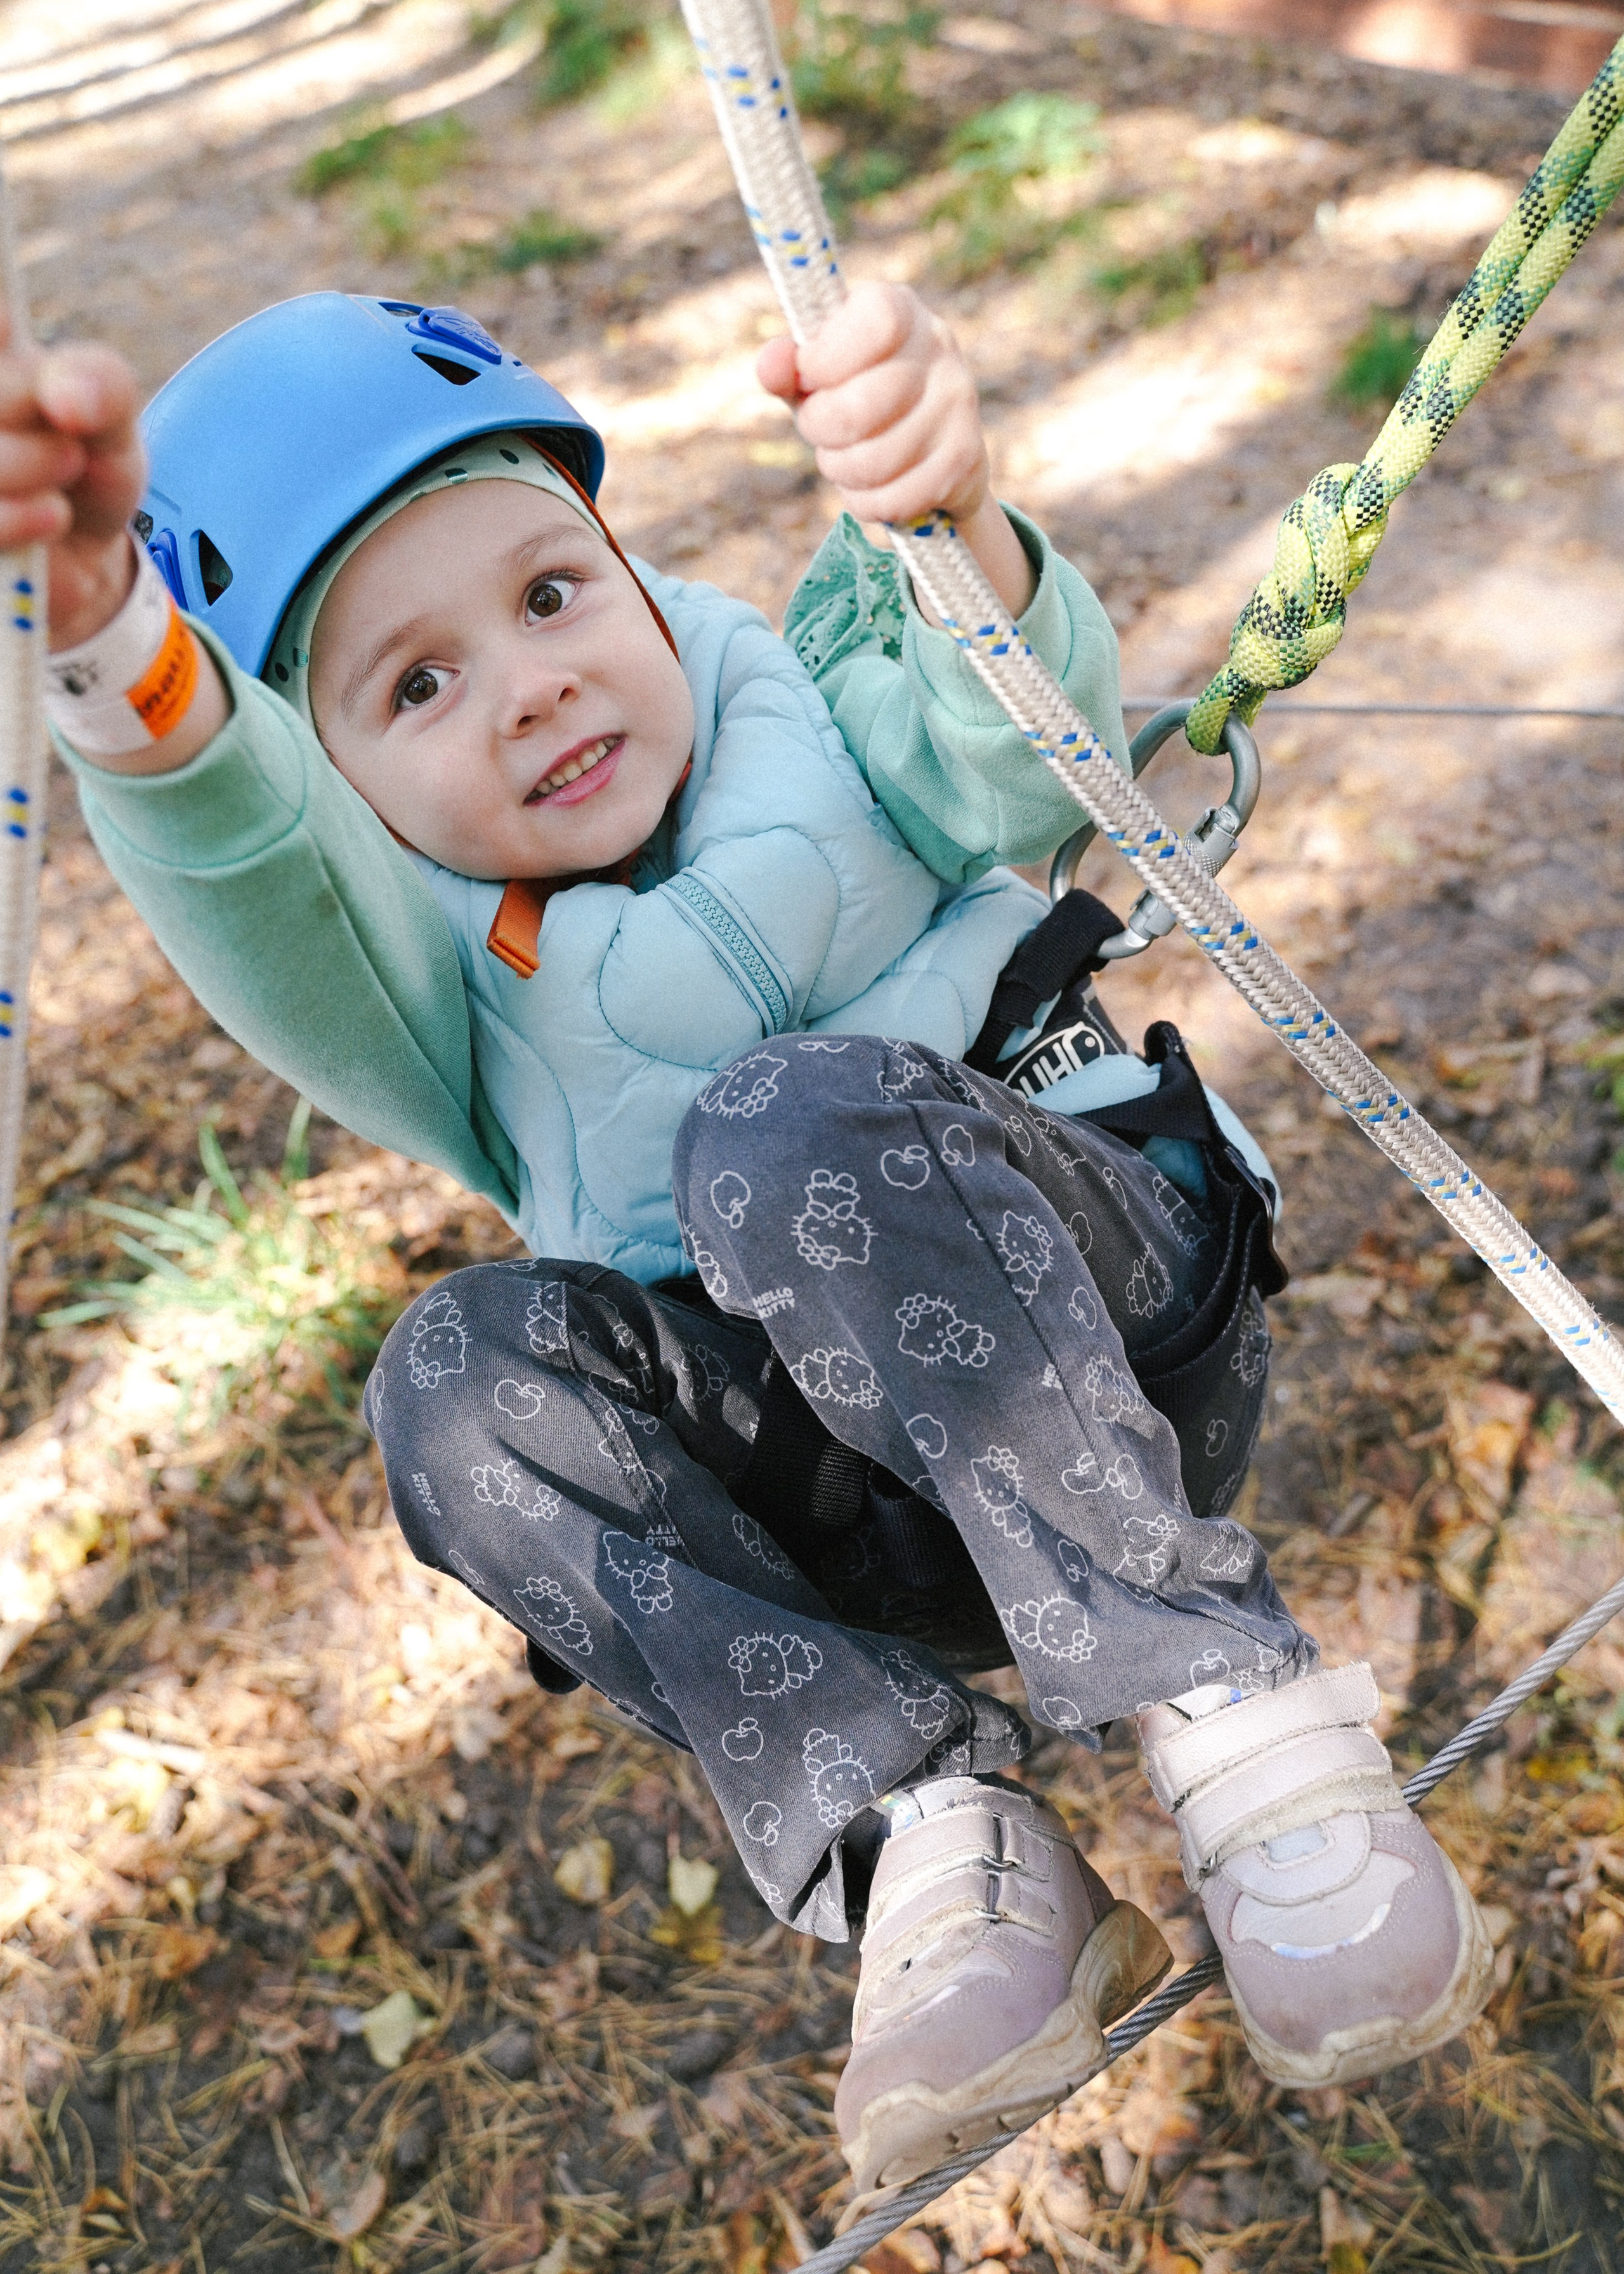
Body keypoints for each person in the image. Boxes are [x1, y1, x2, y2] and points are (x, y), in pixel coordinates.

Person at [1, 277, 1492, 2193]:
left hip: (1109, 1342)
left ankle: (1243, 1725)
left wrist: (945, 508)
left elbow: (1014, 731)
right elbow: (239, 847)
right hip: (854, 1536)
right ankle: (935, 1842)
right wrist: (112, 628)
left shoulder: (824, 707)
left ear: (625, 564)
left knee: (784, 1124)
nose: (530, 682)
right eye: (416, 685)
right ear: (343, 795)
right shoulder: (425, 986)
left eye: (549, 595)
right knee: (450, 1376)